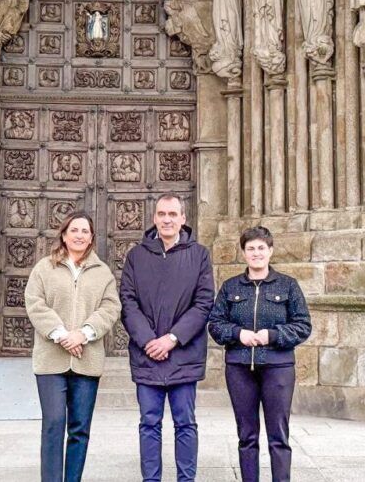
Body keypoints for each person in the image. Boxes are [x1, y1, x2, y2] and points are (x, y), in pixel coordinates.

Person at [120, 193, 215, 482]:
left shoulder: (199, 255)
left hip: (183, 355)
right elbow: (128, 301)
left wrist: (172, 338)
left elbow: (203, 302)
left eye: (173, 214)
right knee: (149, 423)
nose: (167, 219)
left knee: (185, 424)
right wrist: (149, 341)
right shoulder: (136, 256)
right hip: (146, 354)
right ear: (154, 218)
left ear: (183, 219)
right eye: (162, 214)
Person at [208, 226, 312, 482]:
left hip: (278, 369)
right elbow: (215, 323)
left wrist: (272, 336)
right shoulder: (230, 287)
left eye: (261, 248)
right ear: (243, 253)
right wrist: (237, 334)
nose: (256, 253)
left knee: (278, 435)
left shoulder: (288, 286)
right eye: (251, 249)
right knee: (247, 435)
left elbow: (303, 325)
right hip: (239, 368)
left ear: (270, 251)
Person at [24, 210, 122, 482]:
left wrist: (84, 333)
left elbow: (110, 306)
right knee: (54, 423)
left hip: (87, 359)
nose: (79, 235)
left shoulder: (102, 273)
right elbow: (34, 302)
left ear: (91, 238)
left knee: (80, 428)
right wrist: (61, 334)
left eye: (85, 231)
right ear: (64, 235)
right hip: (50, 360)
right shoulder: (45, 267)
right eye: (74, 230)